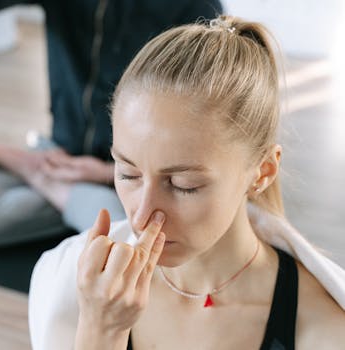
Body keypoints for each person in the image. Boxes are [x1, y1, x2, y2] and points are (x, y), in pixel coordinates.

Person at [28, 15, 345, 350]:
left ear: (263, 172)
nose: (142, 216)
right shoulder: (71, 287)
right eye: (127, 173)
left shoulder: (323, 331)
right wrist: (100, 328)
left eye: (183, 184)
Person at [0, 0, 223, 249]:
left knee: (130, 248)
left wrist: (107, 174)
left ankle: (54, 188)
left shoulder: (192, 7)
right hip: (56, 156)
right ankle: (72, 201)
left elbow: (198, 136)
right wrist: (51, 168)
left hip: (137, 179)